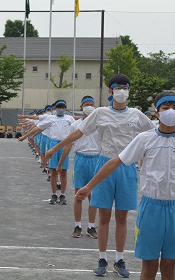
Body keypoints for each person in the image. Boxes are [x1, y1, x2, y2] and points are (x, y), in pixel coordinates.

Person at [46, 74, 155, 278]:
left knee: (122, 217)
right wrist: (56, 148)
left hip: (127, 166)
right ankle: (102, 258)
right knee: (104, 215)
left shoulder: (137, 115)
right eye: (118, 87)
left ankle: (119, 259)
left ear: (129, 91)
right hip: (103, 164)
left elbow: (156, 134)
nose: (122, 91)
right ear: (110, 91)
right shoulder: (100, 113)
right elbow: (78, 133)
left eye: (126, 87)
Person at [76, 91, 175, 280]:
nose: (171, 111)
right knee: (150, 263)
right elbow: (115, 162)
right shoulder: (145, 139)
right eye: (166, 107)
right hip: (151, 207)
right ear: (157, 112)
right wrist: (89, 186)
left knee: (171, 264)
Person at [55, 96, 99, 238]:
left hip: (96, 160)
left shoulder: (100, 124)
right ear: (81, 107)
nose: (89, 107)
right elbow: (68, 146)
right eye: (86, 104)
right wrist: (60, 163)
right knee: (79, 195)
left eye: (92, 104)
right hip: (80, 159)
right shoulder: (75, 125)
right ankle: (77, 225)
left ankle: (91, 226)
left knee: (94, 196)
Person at [19, 100, 75, 205]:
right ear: (55, 108)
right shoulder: (51, 118)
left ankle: (62, 195)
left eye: (62, 107)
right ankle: (54, 194)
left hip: (64, 145)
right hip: (53, 144)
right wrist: (25, 136)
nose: (60, 109)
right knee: (53, 170)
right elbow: (38, 127)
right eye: (59, 107)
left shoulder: (69, 119)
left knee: (64, 171)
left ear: (65, 109)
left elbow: (77, 129)